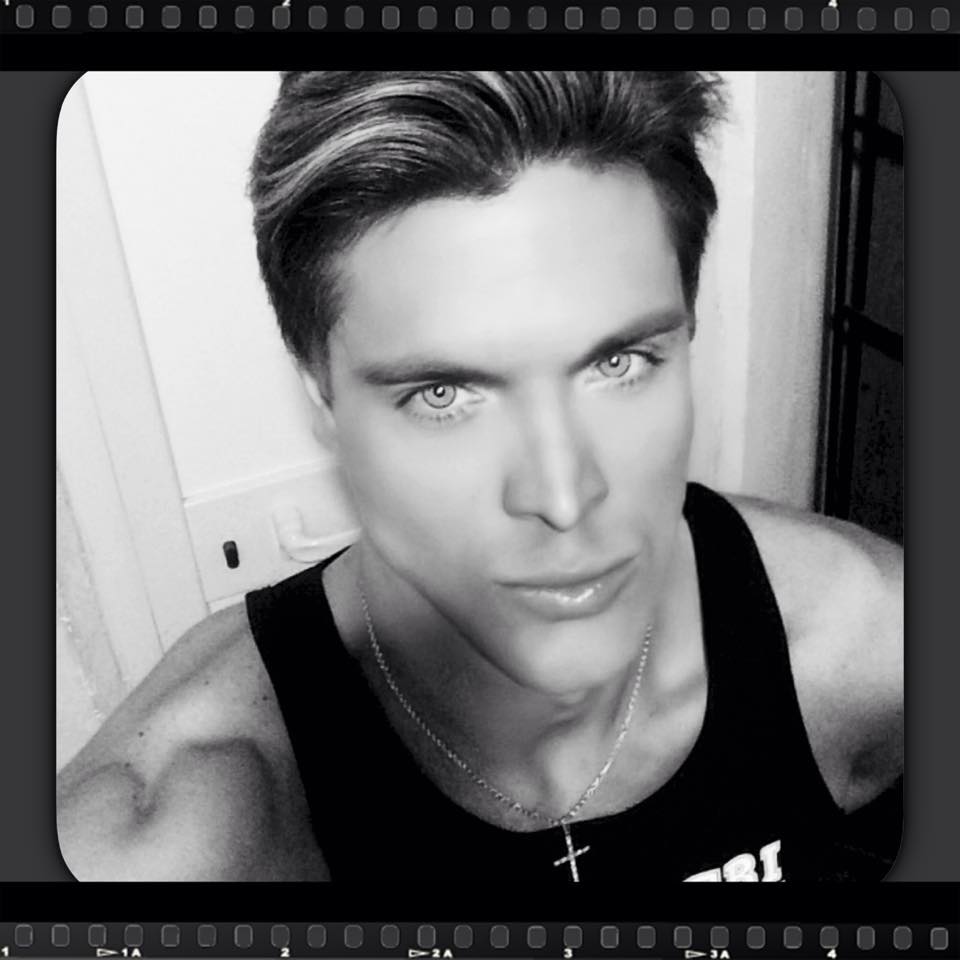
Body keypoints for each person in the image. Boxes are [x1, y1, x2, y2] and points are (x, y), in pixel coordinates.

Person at [56, 71, 903, 883]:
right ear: (322, 394)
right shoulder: (171, 832)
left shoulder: (868, 646)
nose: (562, 497)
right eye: (444, 394)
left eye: (618, 362)